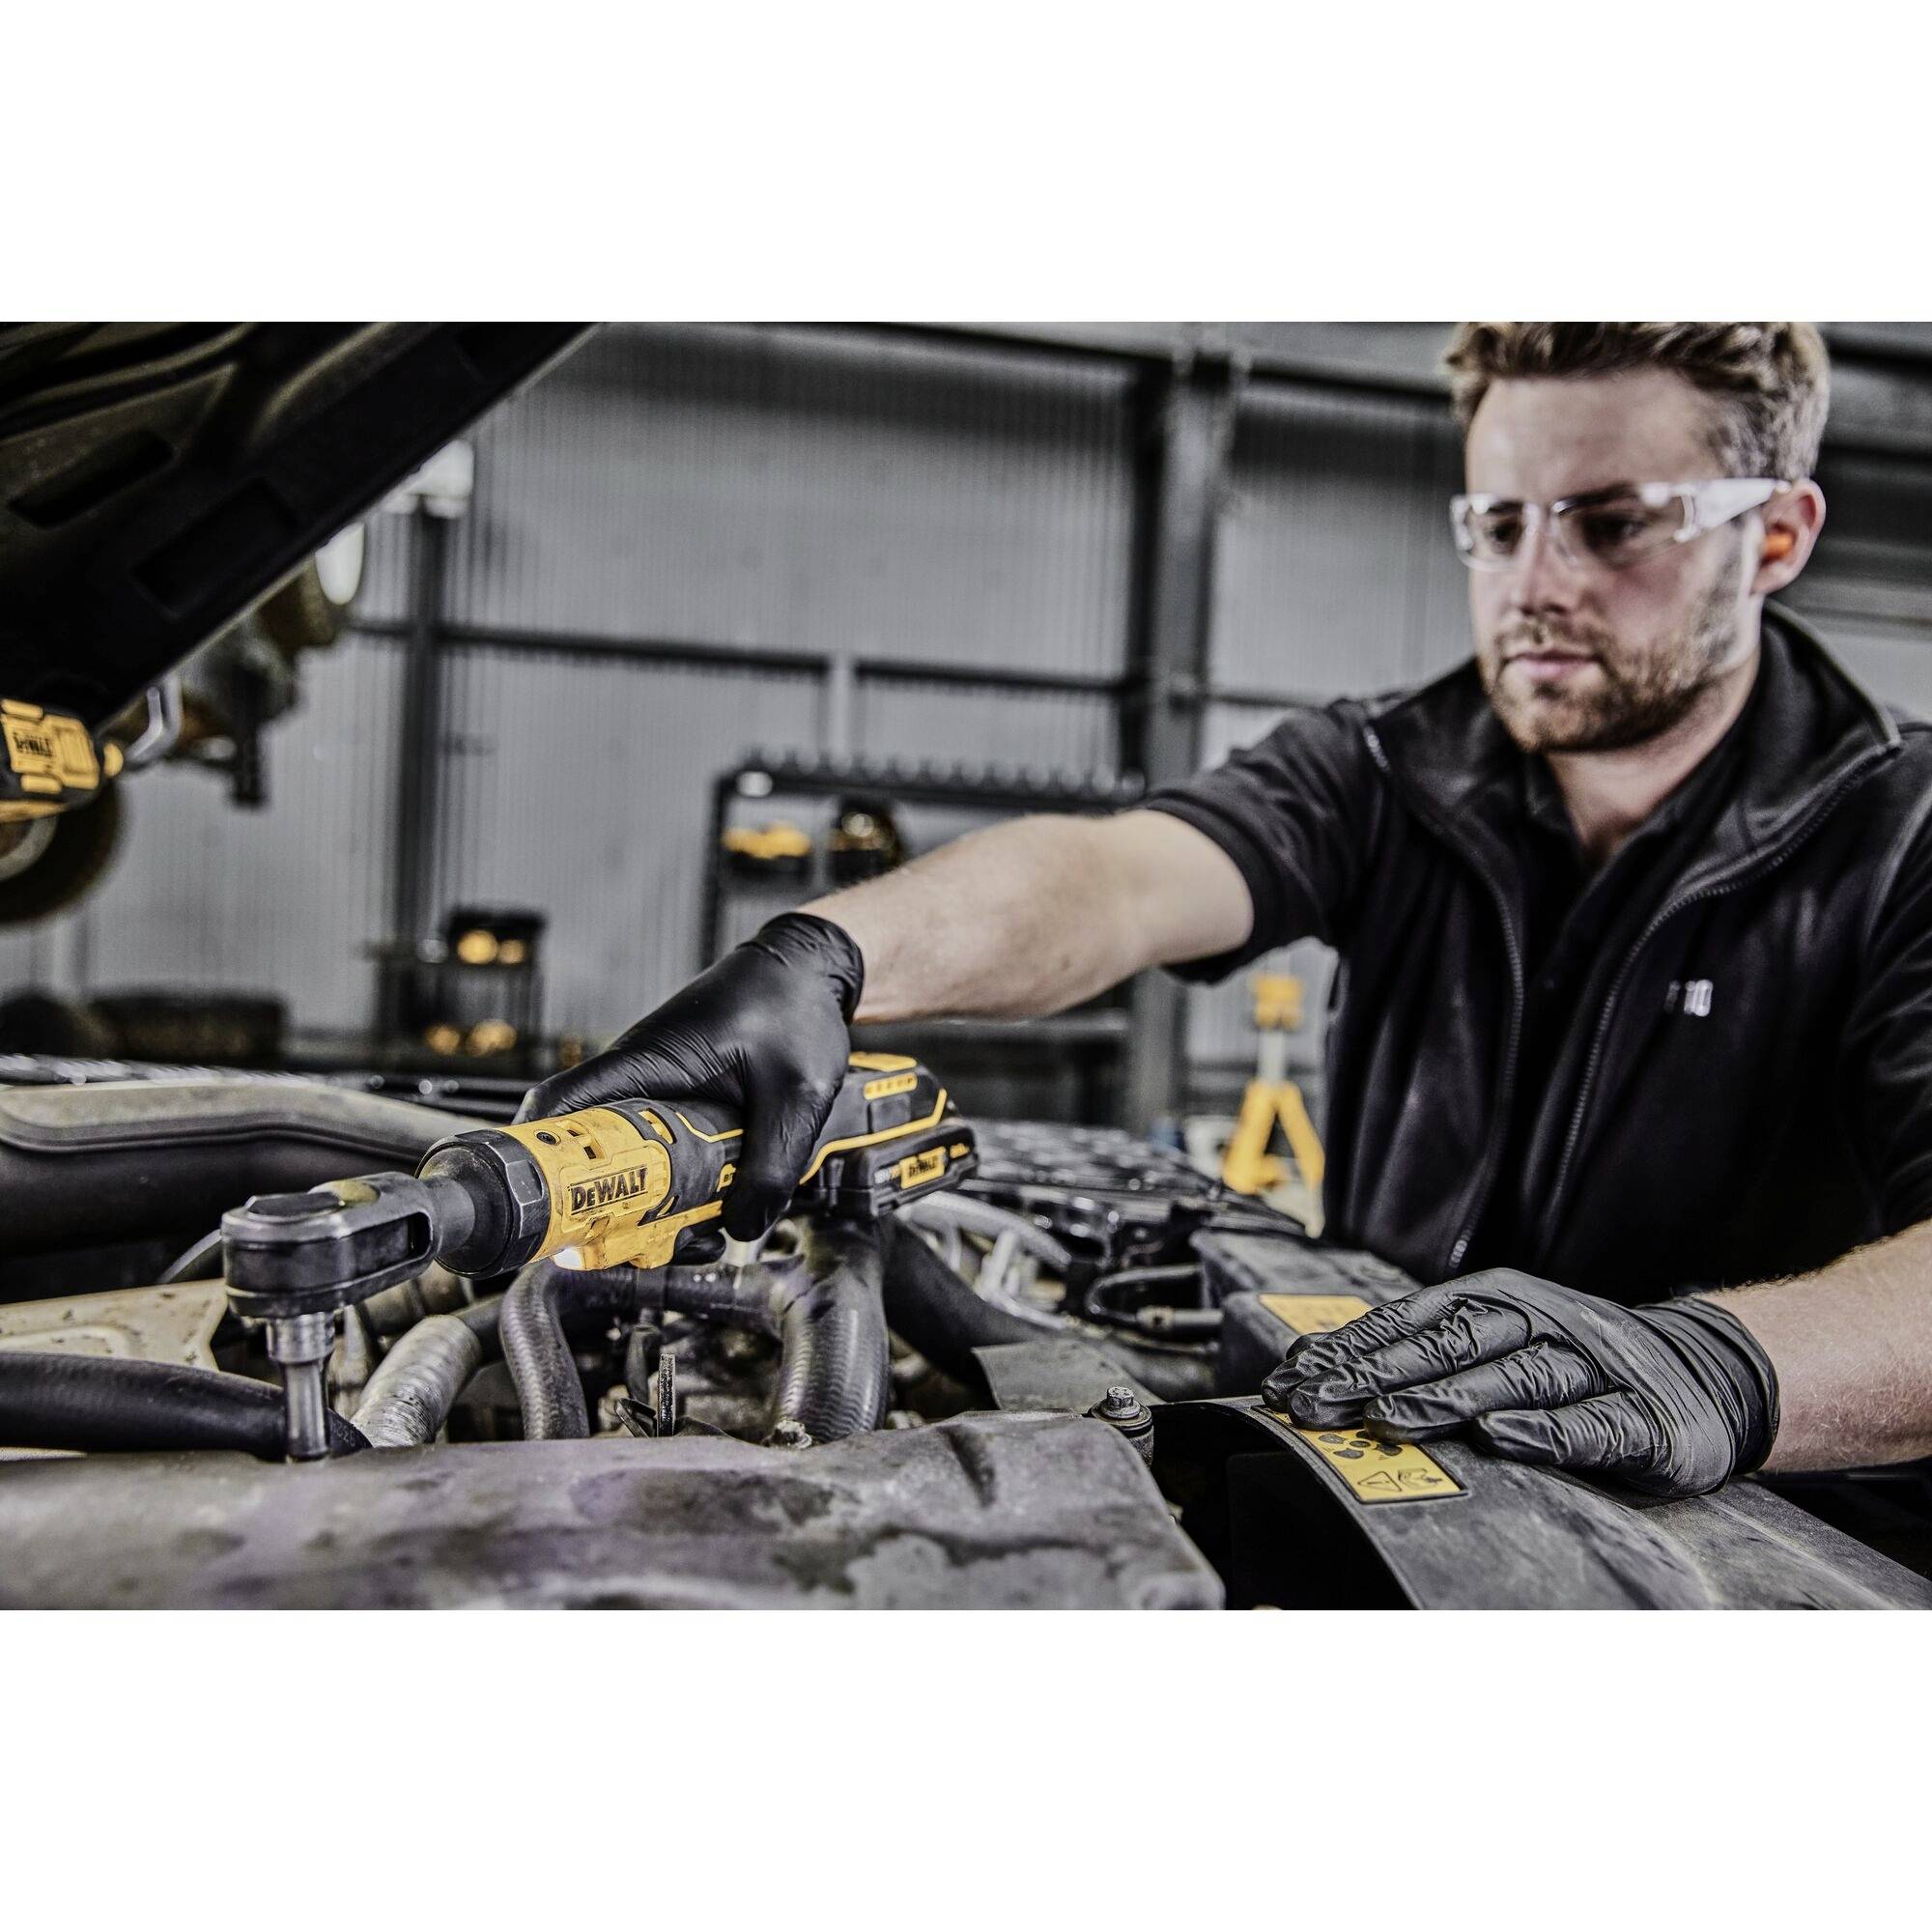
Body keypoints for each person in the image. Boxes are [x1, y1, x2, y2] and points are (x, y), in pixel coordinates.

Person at [525, 324, 1932, 1499]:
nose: (1537, 584)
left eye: (1612, 522)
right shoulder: (1389, 772)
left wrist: (1720, 1367)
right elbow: (1118, 877)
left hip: (1751, 1552)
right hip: (1396, 1462)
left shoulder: (1904, 834)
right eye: (1499, 524)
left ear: (1779, 536)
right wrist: (832, 955)